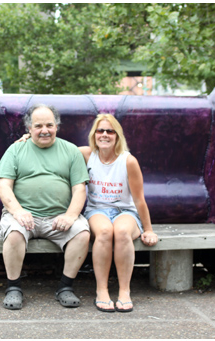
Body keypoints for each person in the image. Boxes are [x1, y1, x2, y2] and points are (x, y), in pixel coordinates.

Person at [17, 113, 158, 313]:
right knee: (104, 232)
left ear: (117, 135)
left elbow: (138, 199)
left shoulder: (128, 161)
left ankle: (124, 291)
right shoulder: (85, 154)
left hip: (125, 211)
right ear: (94, 134)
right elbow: (53, 145)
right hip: (97, 210)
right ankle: (102, 290)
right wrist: (28, 137)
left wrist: (149, 229)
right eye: (100, 130)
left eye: (110, 131)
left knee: (122, 232)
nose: (105, 135)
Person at [0, 104, 91, 310]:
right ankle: (13, 288)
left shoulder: (71, 151)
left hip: (59, 216)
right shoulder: (16, 149)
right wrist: (18, 211)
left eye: (49, 125)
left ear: (57, 126)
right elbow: (4, 186)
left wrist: (71, 216)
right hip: (22, 214)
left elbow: (79, 189)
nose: (44, 130)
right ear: (29, 128)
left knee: (82, 233)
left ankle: (65, 287)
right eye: (38, 126)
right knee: (14, 234)